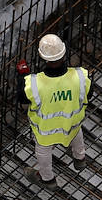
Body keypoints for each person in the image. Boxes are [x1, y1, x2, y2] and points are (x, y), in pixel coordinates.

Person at [20, 33, 91, 185]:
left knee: (43, 151)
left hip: (46, 131)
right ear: (64, 54)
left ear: (43, 58)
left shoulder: (33, 83)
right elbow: (88, 94)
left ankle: (47, 179)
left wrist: (23, 76)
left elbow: (22, 98)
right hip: (71, 123)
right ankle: (80, 159)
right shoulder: (80, 75)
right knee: (76, 133)